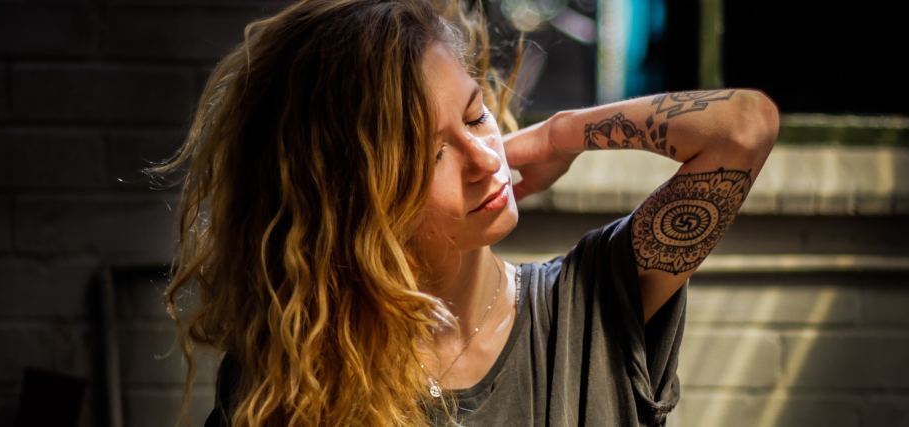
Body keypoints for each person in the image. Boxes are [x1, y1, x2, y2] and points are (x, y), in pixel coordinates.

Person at [144, 0, 778, 425]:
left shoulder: (595, 304)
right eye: (431, 154)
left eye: (476, 114)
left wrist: (562, 134)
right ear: (352, 202)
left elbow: (744, 129)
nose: (484, 157)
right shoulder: (296, 374)